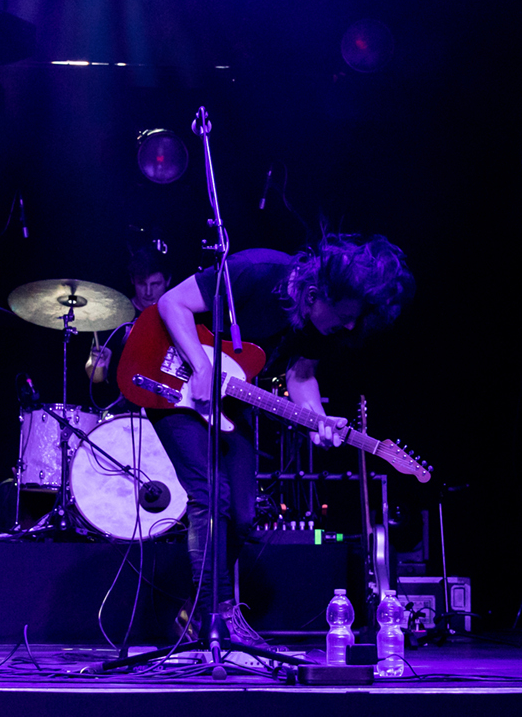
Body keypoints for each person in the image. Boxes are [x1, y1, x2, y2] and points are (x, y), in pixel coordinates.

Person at [152, 233, 414, 645]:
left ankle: (194, 614)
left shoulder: (319, 324)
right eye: (344, 315)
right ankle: (220, 620)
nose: (348, 326)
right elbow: (171, 303)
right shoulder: (255, 271)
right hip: (170, 379)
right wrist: (201, 368)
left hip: (230, 402)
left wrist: (320, 421)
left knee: (242, 515)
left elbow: (301, 375)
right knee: (210, 494)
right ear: (314, 294)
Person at [85, 244, 172, 388]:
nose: (148, 292)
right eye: (142, 284)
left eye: (155, 284)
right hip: (124, 404)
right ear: (132, 280)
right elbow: (97, 377)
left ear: (168, 281)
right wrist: (96, 364)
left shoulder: (177, 315)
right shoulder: (116, 316)